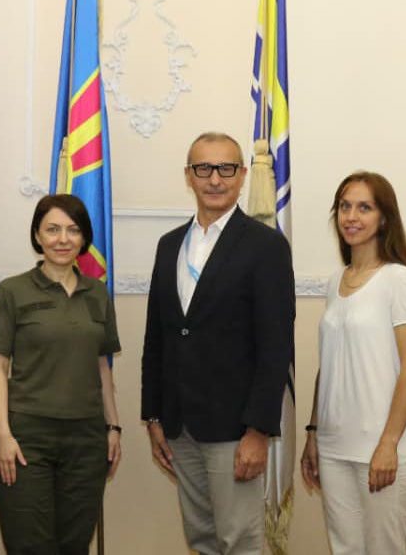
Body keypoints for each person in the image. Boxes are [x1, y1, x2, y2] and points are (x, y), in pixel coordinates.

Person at [141, 131, 295, 555]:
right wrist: (153, 414)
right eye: (203, 168)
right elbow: (157, 336)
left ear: (242, 174)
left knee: (238, 542)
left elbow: (276, 346)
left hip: (235, 428)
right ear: (188, 175)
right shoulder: (169, 245)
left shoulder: (266, 246)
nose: (214, 179)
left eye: (225, 168)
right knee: (202, 540)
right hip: (180, 425)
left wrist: (258, 430)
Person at [0, 193, 122, 554]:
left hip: (86, 439)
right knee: (30, 546)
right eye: (53, 229)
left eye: (73, 230)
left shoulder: (97, 293)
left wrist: (113, 427)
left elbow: (102, 365)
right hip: (27, 438)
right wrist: (3, 434)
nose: (63, 239)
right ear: (37, 235)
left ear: (84, 237)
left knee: (74, 545)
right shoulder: (13, 291)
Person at [300, 172, 406, 554]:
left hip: (381, 449)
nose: (351, 216)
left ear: (384, 218)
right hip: (333, 447)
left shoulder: (398, 279)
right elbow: (329, 365)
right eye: (344, 206)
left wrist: (388, 444)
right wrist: (313, 432)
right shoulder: (336, 280)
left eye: (364, 207)